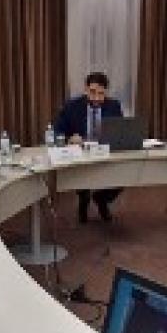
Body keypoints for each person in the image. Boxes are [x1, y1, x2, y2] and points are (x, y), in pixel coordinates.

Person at [53, 71, 124, 222]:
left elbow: (120, 131)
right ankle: (83, 198)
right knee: (83, 176)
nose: (96, 98)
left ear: (106, 92)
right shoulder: (72, 106)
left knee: (124, 174)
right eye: (92, 92)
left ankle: (101, 199)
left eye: (101, 94)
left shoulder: (114, 106)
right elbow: (56, 132)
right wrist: (69, 138)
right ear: (85, 89)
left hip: (106, 151)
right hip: (81, 153)